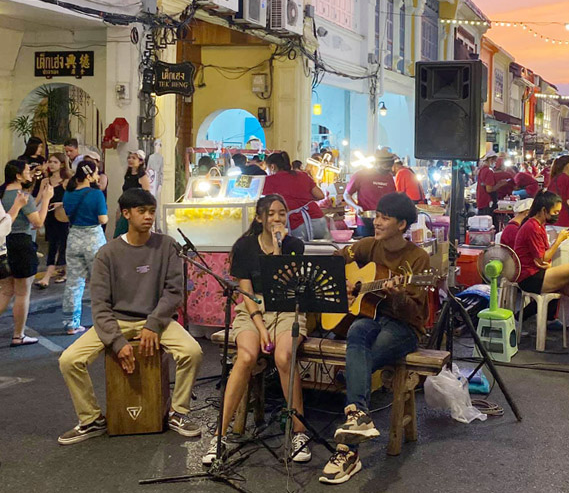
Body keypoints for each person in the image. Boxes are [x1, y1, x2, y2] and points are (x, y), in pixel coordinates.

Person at [57, 188, 203, 445]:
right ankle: (91, 419)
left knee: (192, 351)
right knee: (70, 360)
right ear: (126, 213)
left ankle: (178, 413)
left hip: (157, 319)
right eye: (141, 211)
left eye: (151, 211)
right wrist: (116, 341)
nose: (148, 216)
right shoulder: (108, 253)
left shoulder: (167, 245)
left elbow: (174, 292)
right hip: (117, 320)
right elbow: (100, 305)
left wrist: (153, 324)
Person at [320, 192, 429, 485]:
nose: (376, 222)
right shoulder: (368, 246)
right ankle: (357, 419)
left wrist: (397, 296)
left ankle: (347, 449)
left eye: (384, 217)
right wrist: (345, 284)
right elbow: (335, 260)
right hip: (371, 318)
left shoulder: (418, 260)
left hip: (404, 328)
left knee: (360, 359)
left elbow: (416, 312)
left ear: (402, 224)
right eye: (377, 215)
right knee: (356, 330)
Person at [203, 194, 311, 465]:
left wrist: (278, 249)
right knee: (246, 357)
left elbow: (283, 286)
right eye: (271, 213)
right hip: (252, 309)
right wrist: (262, 330)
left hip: (286, 308)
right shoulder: (244, 246)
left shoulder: (294, 245)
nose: (277, 219)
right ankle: (219, 436)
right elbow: (246, 293)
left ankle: (299, 431)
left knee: (284, 356)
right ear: (260, 217)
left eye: (282, 213)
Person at [513, 191, 569, 348]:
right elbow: (543, 258)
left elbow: (540, 259)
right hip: (530, 278)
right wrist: (559, 241)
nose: (556, 215)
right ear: (543, 210)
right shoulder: (531, 227)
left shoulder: (539, 226)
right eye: (555, 212)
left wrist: (544, 260)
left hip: (539, 272)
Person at [0, 161, 53, 346]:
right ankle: (18, 335)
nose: (30, 173)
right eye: (27, 171)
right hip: (21, 244)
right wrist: (46, 199)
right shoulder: (22, 197)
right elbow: (37, 223)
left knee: (5, 290)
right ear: (18, 176)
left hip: (4, 244)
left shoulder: (2, 194)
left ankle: (19, 334)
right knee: (22, 293)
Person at [60, 160, 108, 335]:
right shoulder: (96, 194)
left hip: (73, 238)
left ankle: (71, 324)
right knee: (99, 283)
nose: (97, 176)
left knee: (74, 282)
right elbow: (103, 219)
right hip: (93, 239)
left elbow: (66, 215)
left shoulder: (68, 193)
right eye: (95, 173)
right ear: (88, 175)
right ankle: (102, 322)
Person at [264, 151, 329, 241]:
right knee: (319, 253)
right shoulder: (303, 175)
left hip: (297, 224)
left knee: (298, 253)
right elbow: (320, 195)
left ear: (272, 167)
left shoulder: (269, 180)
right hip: (319, 220)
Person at [36, 152, 71, 289]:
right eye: (50, 161)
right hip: (49, 216)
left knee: (62, 244)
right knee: (53, 243)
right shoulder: (45, 181)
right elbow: (38, 198)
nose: (51, 164)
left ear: (62, 164)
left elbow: (73, 200)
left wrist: (61, 204)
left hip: (63, 217)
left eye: (55, 162)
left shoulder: (67, 181)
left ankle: (49, 275)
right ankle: (55, 272)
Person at [344, 149, 397, 237]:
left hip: (384, 222)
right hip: (365, 222)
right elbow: (346, 195)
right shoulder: (361, 175)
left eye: (389, 167)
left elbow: (392, 198)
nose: (388, 169)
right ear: (377, 163)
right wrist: (356, 207)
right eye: (385, 166)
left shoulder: (389, 177)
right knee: (366, 248)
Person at [113, 150, 150, 238]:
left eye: (134, 158)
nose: (130, 160)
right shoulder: (128, 176)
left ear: (140, 161)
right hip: (125, 208)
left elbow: (146, 195)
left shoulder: (142, 177)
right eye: (129, 158)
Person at [548, 155, 569, 231]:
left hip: (550, 217)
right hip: (563, 217)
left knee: (552, 242)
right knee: (563, 242)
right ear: (568, 165)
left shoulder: (553, 179)